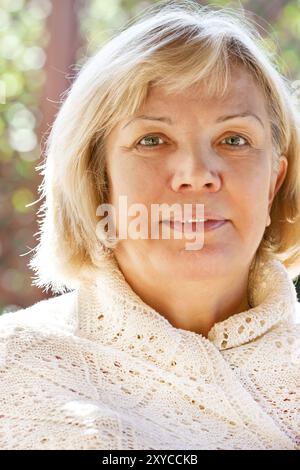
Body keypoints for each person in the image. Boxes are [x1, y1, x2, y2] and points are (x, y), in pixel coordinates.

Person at [0, 0, 300, 450]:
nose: (197, 173)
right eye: (152, 140)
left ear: (274, 181)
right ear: (98, 181)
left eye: (234, 139)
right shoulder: (14, 369)